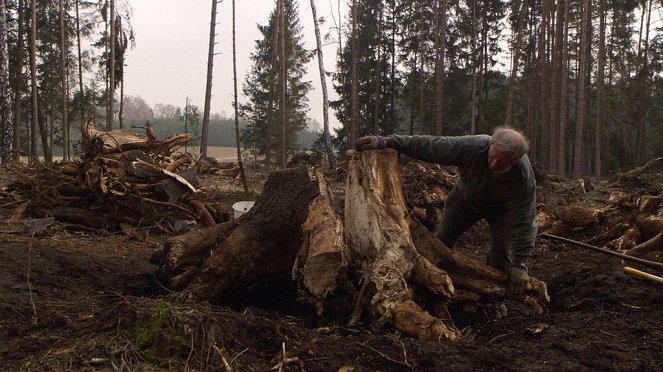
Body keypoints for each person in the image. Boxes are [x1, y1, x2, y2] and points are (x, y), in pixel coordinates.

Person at [355, 127, 537, 295]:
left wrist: (520, 263)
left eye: (501, 163)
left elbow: (526, 220)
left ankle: (493, 298)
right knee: (440, 243)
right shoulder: (472, 147)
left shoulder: (523, 176)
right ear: (491, 145)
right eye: (493, 157)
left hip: (502, 212)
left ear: (514, 161)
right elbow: (431, 146)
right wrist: (388, 141)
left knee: (502, 259)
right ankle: (430, 285)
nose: (494, 164)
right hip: (464, 202)